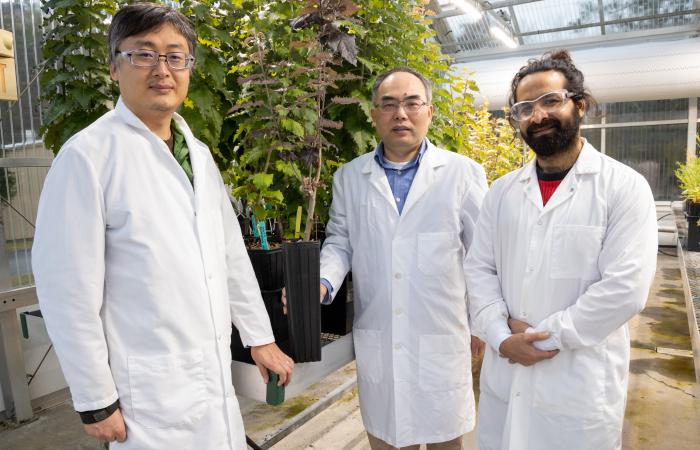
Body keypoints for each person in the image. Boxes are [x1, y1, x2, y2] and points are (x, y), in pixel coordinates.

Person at [31, 4, 293, 449]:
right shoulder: (88, 157)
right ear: (114, 66)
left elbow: (229, 254)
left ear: (189, 66)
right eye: (144, 54)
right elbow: (67, 291)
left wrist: (259, 337)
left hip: (209, 383)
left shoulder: (199, 154)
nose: (162, 70)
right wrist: (96, 398)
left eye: (175, 56)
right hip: (146, 398)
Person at [465, 50, 657, 450]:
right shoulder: (501, 193)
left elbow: (625, 289)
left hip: (578, 388)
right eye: (524, 108)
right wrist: (501, 338)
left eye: (550, 101)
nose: (537, 116)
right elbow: (479, 270)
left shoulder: (624, 187)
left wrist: (541, 339)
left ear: (579, 104)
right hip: (506, 378)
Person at [319, 68, 488, 449]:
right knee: (387, 437)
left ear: (429, 112)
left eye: (412, 103)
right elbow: (339, 241)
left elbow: (482, 253)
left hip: (440, 332)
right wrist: (323, 281)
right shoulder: (349, 177)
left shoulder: (462, 173)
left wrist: (481, 322)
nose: (401, 114)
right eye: (389, 104)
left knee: (446, 439)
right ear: (374, 113)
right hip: (379, 328)